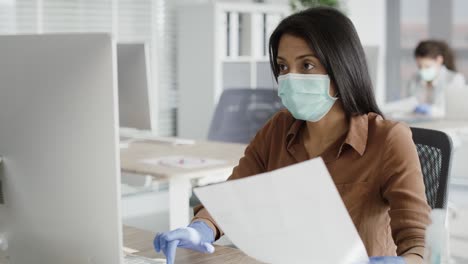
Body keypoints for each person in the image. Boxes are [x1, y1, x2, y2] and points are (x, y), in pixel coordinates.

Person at [155, 7, 430, 264]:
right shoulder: (278, 129)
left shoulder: (389, 139)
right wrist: (200, 228)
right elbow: (232, 197)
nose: (290, 77)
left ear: (341, 68)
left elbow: (418, 243)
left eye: (307, 65)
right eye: (283, 67)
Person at [408, 40, 466, 117]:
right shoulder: (414, 80)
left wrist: (431, 110)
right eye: (419, 67)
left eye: (427, 66)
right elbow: (410, 104)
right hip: (419, 124)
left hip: (443, 126)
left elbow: (456, 112)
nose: (422, 70)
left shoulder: (455, 79)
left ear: (439, 60)